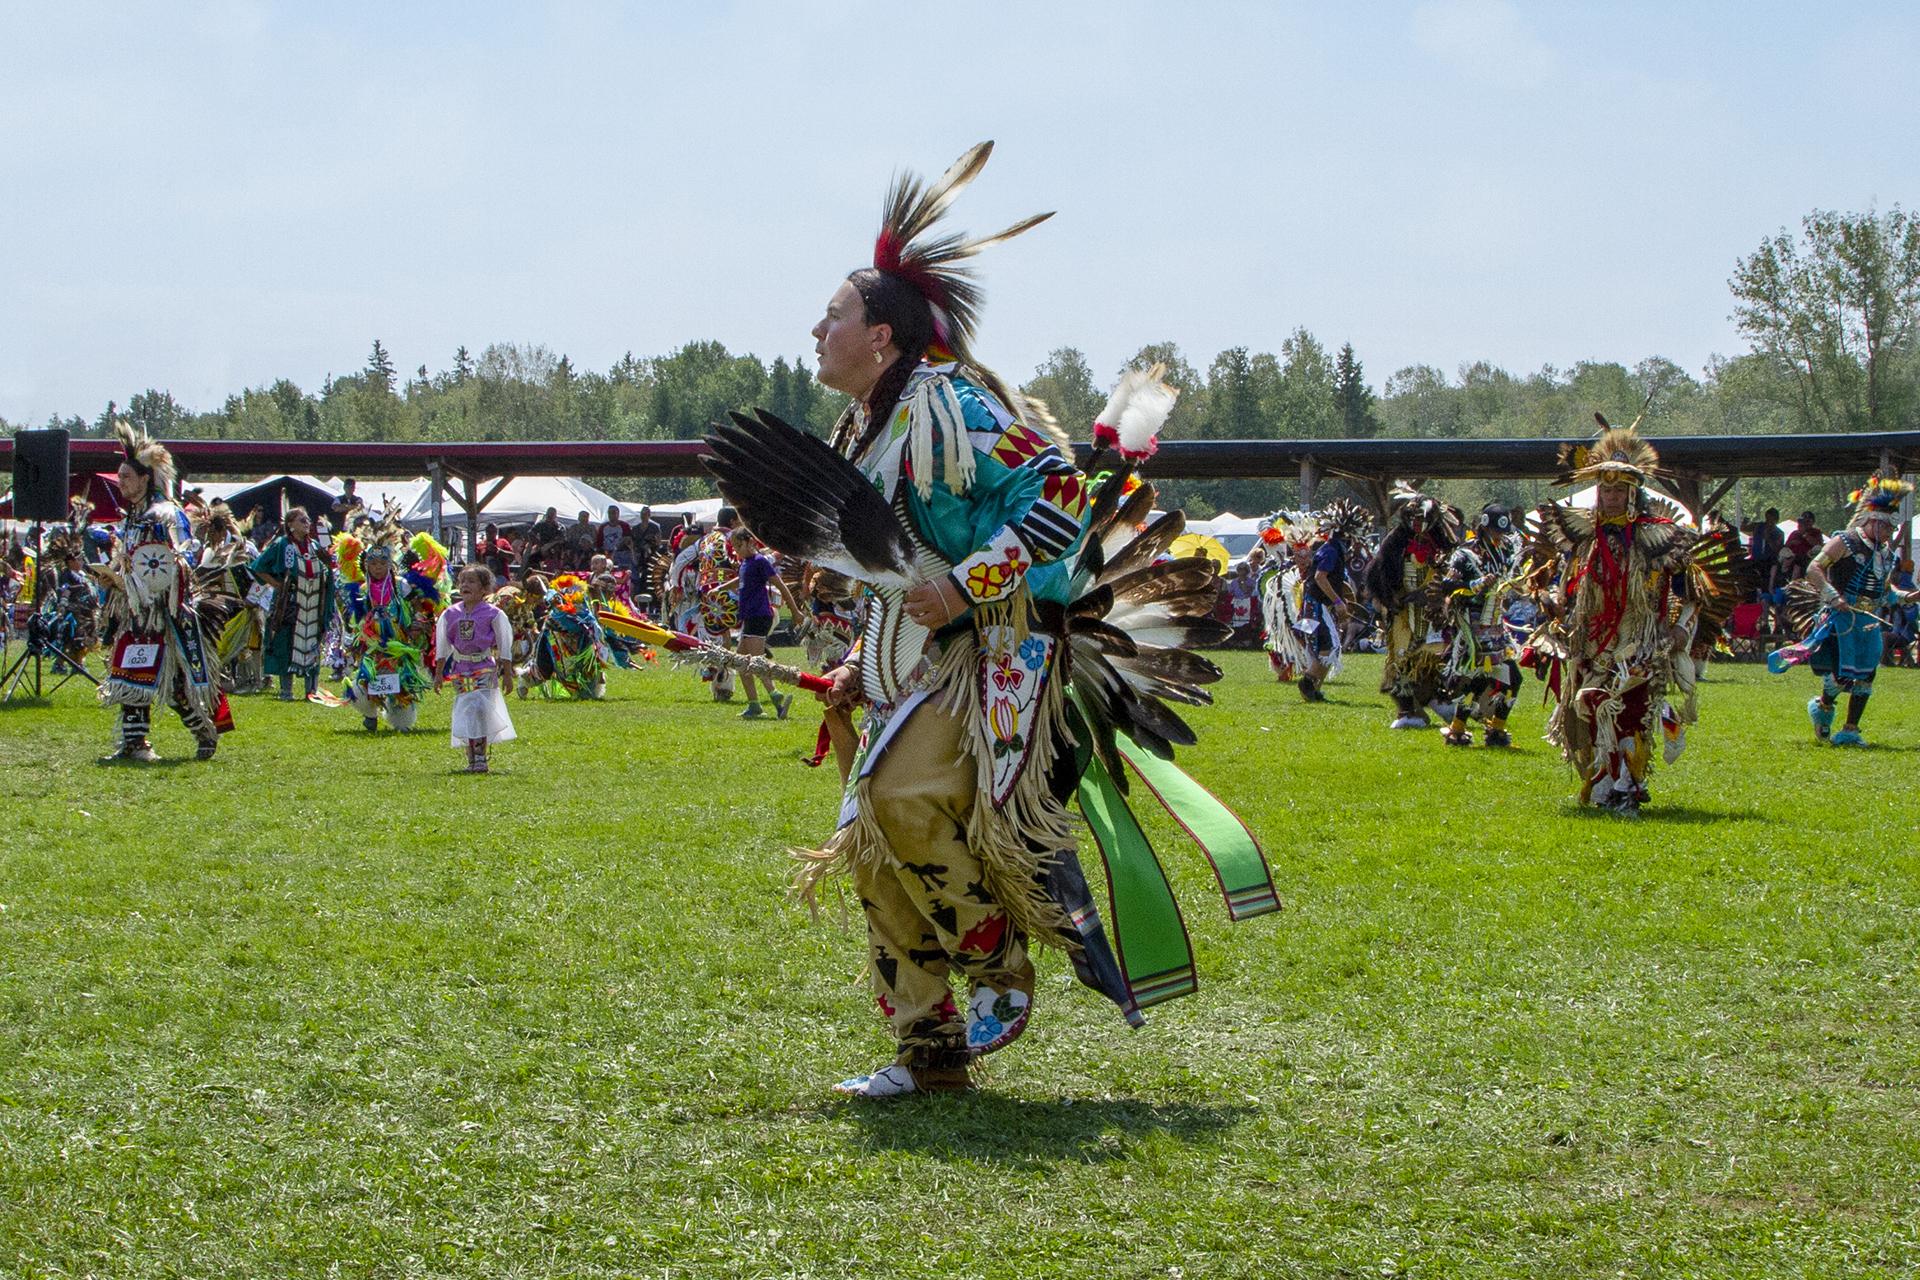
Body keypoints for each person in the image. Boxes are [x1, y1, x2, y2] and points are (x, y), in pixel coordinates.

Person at [707, 143, 1266, 1098]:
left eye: (833, 313)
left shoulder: (952, 404)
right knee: (876, 852)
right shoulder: (874, 424)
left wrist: (969, 584)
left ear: (881, 335)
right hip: (913, 662)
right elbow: (895, 573)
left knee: (900, 804)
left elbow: (1058, 492)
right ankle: (929, 1056)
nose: (815, 328)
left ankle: (999, 950)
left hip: (999, 655)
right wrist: (858, 661)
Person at [1525, 416, 1721, 814]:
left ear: (1634, 493)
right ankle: (1605, 778)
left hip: (1641, 637)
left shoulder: (1659, 536)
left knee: (1630, 711)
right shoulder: (1584, 535)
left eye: (1619, 490)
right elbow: (1571, 584)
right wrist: (1556, 603)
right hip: (1593, 638)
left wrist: (1681, 629)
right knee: (1591, 707)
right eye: (1605, 489)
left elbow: (1688, 593)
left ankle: (1627, 785)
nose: (1611, 497)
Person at [96, 419, 233, 761]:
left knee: (174, 683)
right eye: (120, 476)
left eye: (126, 476)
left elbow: (185, 553)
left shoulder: (166, 515)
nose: (121, 482)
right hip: (134, 612)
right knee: (129, 676)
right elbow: (128, 560)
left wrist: (167, 569)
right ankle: (135, 743)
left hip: (166, 612)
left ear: (145, 478)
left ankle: (205, 729)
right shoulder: (130, 519)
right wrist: (111, 577)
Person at [1767, 475, 1918, 745]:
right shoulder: (1845, 541)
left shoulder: (1885, 553)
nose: (1889, 535)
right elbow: (1815, 568)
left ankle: (1850, 730)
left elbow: (1886, 592)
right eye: (1886, 529)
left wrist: (1911, 596)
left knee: (1867, 674)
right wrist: (1831, 595)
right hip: (1840, 618)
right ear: (1873, 521)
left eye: (1892, 530)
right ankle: (1822, 708)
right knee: (1841, 676)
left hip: (1869, 621)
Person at [1367, 487, 1464, 729]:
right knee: (1401, 659)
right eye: (1413, 519)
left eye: (1422, 519)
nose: (1417, 524)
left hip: (1434, 614)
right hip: (1402, 613)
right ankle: (1408, 711)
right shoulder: (1395, 541)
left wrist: (1435, 596)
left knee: (1435, 658)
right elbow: (1378, 573)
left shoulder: (1445, 543)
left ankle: (1437, 699)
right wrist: (1391, 598)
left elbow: (1455, 576)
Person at [1436, 502, 1525, 747]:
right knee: (1481, 677)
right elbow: (1447, 584)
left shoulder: (1507, 550)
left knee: (1512, 679)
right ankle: (1459, 730)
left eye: (1503, 532)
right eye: (1496, 530)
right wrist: (1476, 584)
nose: (1499, 536)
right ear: (1484, 527)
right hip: (1473, 621)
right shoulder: (1465, 554)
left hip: (1496, 622)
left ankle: (1493, 729)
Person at [334, 517, 433, 732]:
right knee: (366, 680)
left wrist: (418, 625)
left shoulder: (401, 586)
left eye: (382, 563)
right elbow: (356, 620)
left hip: (398, 642)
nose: (377, 568)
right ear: (366, 565)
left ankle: (401, 720)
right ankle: (370, 712)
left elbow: (419, 607)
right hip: (373, 644)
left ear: (390, 564)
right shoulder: (362, 591)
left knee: (400, 683)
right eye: (373, 564)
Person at [437, 563, 516, 773]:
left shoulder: (493, 614)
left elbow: (505, 645)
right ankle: (471, 758)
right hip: (460, 668)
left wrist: (507, 675)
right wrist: (438, 674)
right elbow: (442, 647)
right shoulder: (450, 614)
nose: (465, 585)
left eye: (471, 581)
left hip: (484, 667)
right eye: (462, 581)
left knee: (480, 710)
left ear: (484, 589)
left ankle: (481, 758)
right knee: (466, 711)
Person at [250, 506, 334, 700]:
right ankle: (286, 690)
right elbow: (259, 567)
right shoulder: (282, 545)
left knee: (312, 641)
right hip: (290, 603)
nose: (307, 523)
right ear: (290, 525)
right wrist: (277, 585)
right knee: (285, 642)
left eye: (308, 520)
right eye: (302, 520)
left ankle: (311, 692)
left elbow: (329, 567)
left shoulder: (315, 546)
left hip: (314, 602)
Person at [720, 526, 801, 720]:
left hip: (759, 616)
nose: (737, 550)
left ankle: (774, 694)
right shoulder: (746, 563)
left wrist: (795, 611)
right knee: (741, 662)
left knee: (754, 661)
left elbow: (780, 585)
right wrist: (720, 588)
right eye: (735, 547)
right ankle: (755, 704)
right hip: (749, 618)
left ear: (750, 542)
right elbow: (741, 580)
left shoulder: (760, 561)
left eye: (740, 545)